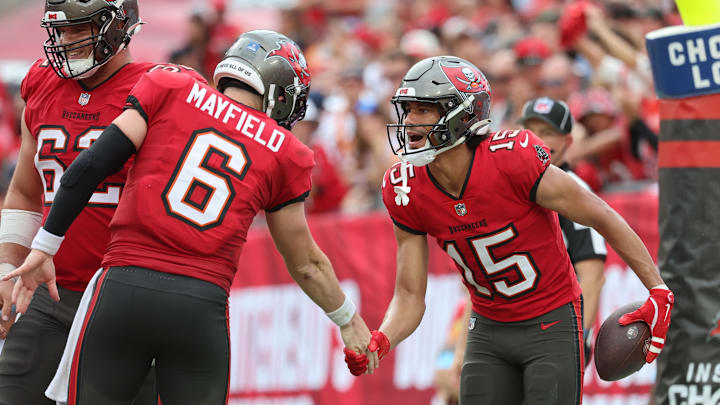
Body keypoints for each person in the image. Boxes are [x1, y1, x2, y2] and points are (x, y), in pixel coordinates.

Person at [5, 30, 373, 404]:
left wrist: (45, 245)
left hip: (121, 287)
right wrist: (348, 319)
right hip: (200, 304)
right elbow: (306, 263)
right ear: (281, 91)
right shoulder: (288, 152)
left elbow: (88, 167)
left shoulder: (171, 86)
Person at [342, 56, 674, 405]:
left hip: (551, 322)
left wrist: (658, 288)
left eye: (424, 110)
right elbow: (410, 295)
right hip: (488, 329)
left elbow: (602, 215)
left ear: (464, 115)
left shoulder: (511, 158)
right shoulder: (405, 187)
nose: (409, 122)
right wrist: (382, 339)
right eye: (407, 110)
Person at [0, 1, 203, 403]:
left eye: (80, 29)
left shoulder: (163, 88)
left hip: (126, 299)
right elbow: (25, 189)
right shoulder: (41, 82)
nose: (66, 41)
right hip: (51, 291)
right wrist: (8, 266)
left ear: (119, 25)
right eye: (61, 30)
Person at [519, 96, 607, 364]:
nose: (537, 140)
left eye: (547, 132)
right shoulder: (510, 187)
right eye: (531, 132)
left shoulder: (575, 191)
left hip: (553, 328)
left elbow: (592, 275)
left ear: (568, 142)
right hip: (507, 324)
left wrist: (580, 338)